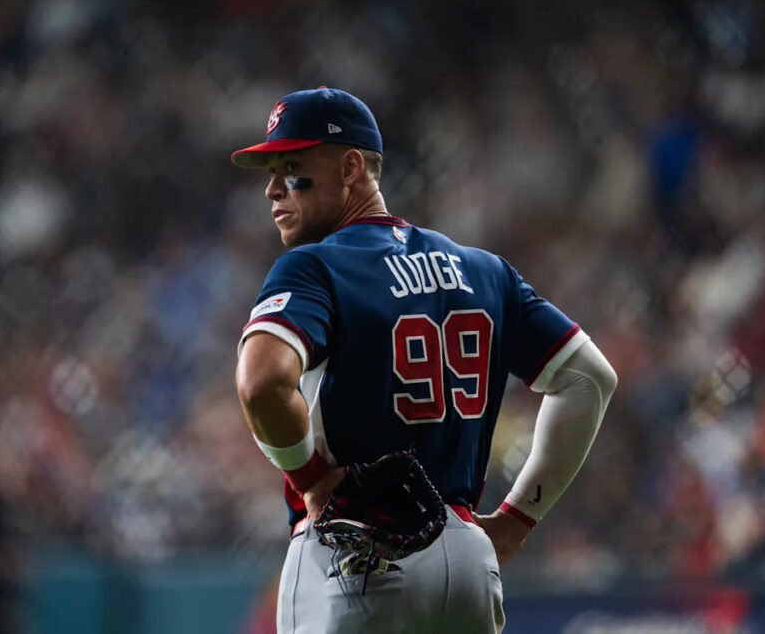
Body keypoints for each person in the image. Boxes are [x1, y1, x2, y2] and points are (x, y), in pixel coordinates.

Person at [232, 87, 617, 634]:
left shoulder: (314, 268)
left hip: (354, 552)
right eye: (271, 171)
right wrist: (518, 519)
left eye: (293, 168)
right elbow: (590, 379)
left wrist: (312, 475)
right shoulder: (484, 271)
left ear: (350, 167)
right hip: (464, 558)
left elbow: (261, 385)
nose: (273, 189)